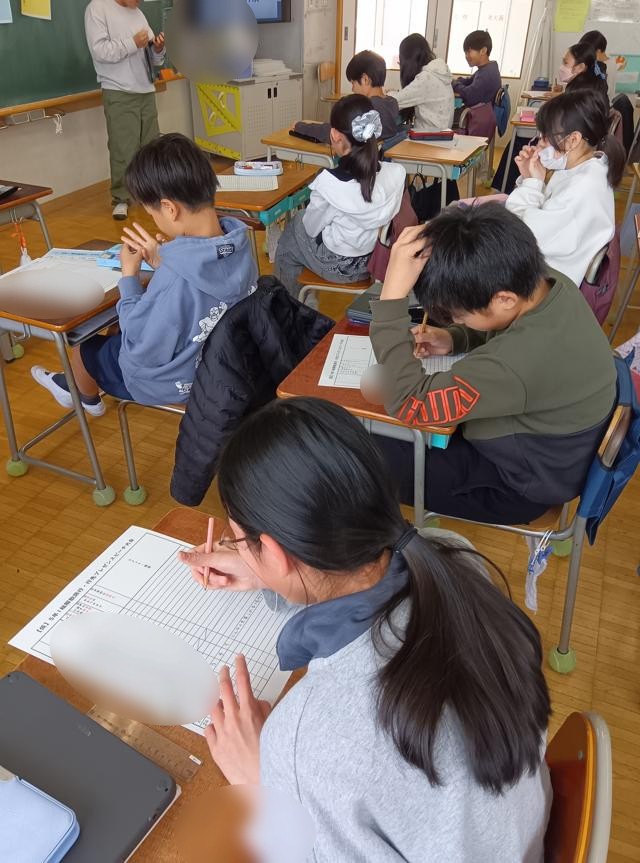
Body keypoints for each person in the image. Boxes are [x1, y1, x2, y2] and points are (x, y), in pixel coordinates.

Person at [179, 396, 553, 863]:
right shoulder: (451, 557)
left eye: (240, 540)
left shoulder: (306, 739)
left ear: (276, 552)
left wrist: (262, 784)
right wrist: (264, 573)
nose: (239, 548)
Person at [368, 205, 617, 524]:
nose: (457, 319)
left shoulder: (517, 363)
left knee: (362, 457)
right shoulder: (549, 283)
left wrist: (391, 299)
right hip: (548, 453)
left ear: (504, 299)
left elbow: (410, 403)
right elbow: (507, 327)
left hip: (515, 485)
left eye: (459, 315)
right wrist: (455, 337)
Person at [32, 134, 257, 414]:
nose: (154, 220)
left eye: (153, 214)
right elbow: (200, 289)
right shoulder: (238, 242)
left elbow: (141, 343)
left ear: (170, 209)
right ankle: (75, 386)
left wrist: (129, 277)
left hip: (181, 381)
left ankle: (85, 397)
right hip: (230, 367)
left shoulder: (174, 279)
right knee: (116, 331)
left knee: (84, 347)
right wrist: (166, 262)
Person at [275, 94, 405, 300]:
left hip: (339, 266)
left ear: (334, 135)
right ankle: (299, 300)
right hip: (374, 259)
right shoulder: (396, 173)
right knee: (298, 229)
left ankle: (287, 305)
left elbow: (311, 229)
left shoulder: (330, 184)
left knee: (293, 231)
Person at [506, 89, 624, 287]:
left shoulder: (582, 188)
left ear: (573, 140)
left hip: (543, 281)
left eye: (545, 137)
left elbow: (517, 236)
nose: (539, 144)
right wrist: (531, 177)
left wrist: (532, 183)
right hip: (545, 265)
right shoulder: (586, 167)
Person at [85, 0, 166, 221]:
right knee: (123, 147)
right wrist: (132, 43)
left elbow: (152, 57)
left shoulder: (138, 13)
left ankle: (152, 194)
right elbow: (100, 51)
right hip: (118, 90)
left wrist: (158, 49)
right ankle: (121, 198)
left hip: (145, 88)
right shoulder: (97, 8)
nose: (141, 1)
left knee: (151, 146)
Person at [492, 41, 609, 194]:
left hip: (567, 143)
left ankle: (504, 190)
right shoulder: (584, 86)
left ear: (580, 67)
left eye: (565, 63)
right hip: (572, 142)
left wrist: (531, 185)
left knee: (517, 144)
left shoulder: (581, 91)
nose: (562, 67)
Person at [389, 33, 454, 132]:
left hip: (430, 137)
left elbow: (395, 102)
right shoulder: (438, 73)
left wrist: (385, 94)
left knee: (390, 137)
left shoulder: (426, 78)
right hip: (442, 134)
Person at [346, 50, 401, 139]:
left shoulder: (366, 109)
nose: (352, 89)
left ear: (365, 79)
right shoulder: (393, 103)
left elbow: (343, 133)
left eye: (353, 83)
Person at [453, 29, 502, 107]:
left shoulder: (487, 74)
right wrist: (456, 80)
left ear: (483, 51)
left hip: (479, 113)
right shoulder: (488, 68)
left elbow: (468, 95)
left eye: (469, 52)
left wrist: (454, 84)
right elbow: (469, 81)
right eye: (465, 53)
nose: (466, 56)